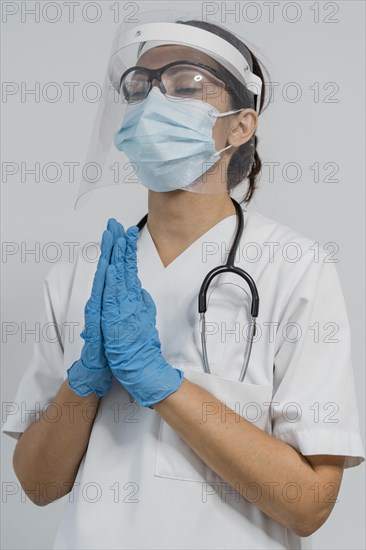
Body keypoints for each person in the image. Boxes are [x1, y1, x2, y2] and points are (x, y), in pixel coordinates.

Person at [2, 17, 365, 550]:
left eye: (185, 84)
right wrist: (86, 380)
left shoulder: (295, 266)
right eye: (139, 86)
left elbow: (308, 505)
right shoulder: (81, 276)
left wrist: (160, 382)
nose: (153, 103)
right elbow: (37, 485)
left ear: (241, 124)